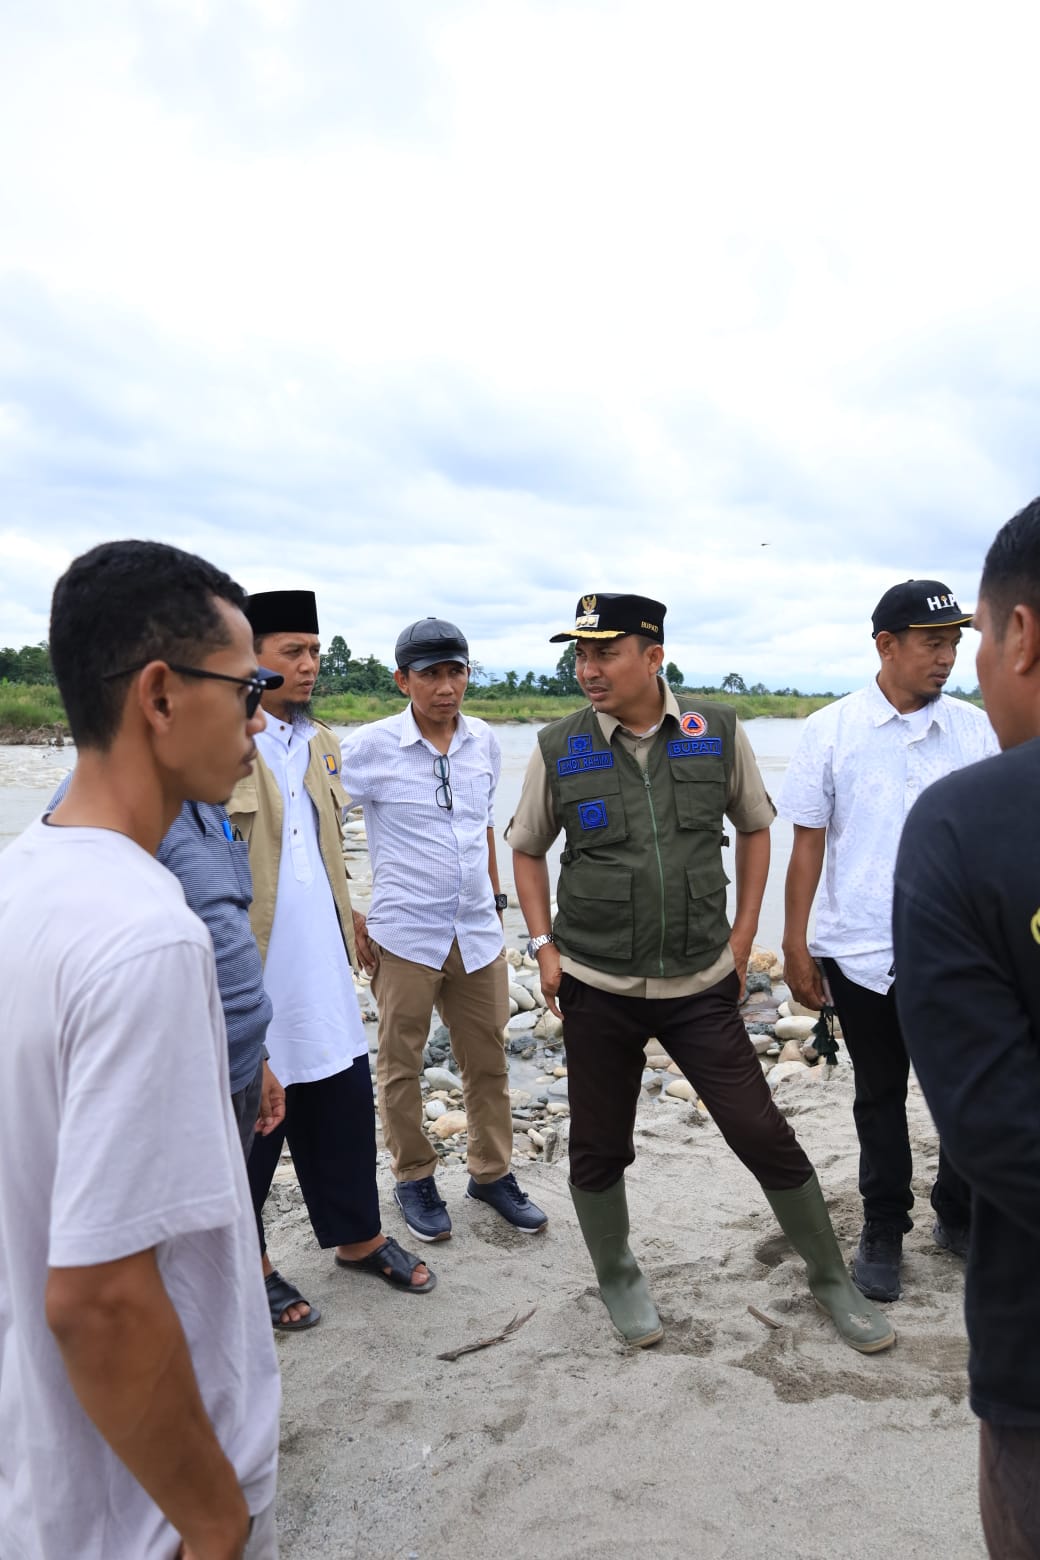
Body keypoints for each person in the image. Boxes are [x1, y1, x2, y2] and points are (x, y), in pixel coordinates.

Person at [508, 591, 894, 1354]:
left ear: (653, 656)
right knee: (598, 1144)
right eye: (579, 653)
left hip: (698, 985)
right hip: (597, 982)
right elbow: (525, 846)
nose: (587, 668)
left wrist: (746, 931)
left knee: (760, 1128)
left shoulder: (713, 732)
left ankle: (829, 1279)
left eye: (604, 652)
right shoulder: (560, 745)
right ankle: (619, 1277)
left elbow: (757, 826)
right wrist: (544, 948)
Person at [0, 540, 281, 1559]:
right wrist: (214, 1520)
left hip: (46, 1475)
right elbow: (102, 1296)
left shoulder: (26, 879)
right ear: (160, 696)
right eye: (248, 688)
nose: (260, 721)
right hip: (142, 1514)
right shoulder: (148, 936)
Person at [778, 578, 998, 1302]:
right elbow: (807, 845)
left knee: (966, 1093)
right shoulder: (829, 731)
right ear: (886, 644)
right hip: (861, 949)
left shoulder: (975, 729)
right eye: (932, 643)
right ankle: (882, 1229)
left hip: (962, 950)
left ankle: (958, 1213)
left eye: (954, 643)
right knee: (878, 1097)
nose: (947, 657)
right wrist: (797, 944)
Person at [893, 502, 1040, 1558]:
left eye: (975, 637)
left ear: (1018, 635)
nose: (967, 662)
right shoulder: (840, 735)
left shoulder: (964, 818)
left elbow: (996, 1128)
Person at [227, 589, 432, 1332]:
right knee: (249, 1114)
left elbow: (317, 851)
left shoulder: (320, 744)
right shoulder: (221, 745)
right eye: (294, 652)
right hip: (249, 965)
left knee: (339, 1093)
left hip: (320, 959)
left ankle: (358, 1236)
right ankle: (247, 1266)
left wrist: (352, 914)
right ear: (250, 660)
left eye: (315, 651)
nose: (310, 665)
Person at [339, 617, 547, 1241]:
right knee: (399, 1064)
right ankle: (414, 1178)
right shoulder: (370, 747)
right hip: (404, 933)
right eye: (431, 674)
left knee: (487, 1060)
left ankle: (491, 1173)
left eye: (456, 671)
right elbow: (316, 820)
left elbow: (483, 824)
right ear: (403, 679)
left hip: (478, 934)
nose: (446, 686)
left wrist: (499, 900)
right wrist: (347, 908)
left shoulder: (483, 741)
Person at [46, 782, 287, 1162]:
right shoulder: (106, 815)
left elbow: (225, 927)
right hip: (174, 1096)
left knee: (226, 1216)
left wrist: (256, 1054)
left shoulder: (205, 798)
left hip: (238, 1070)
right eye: (237, 718)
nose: (255, 728)